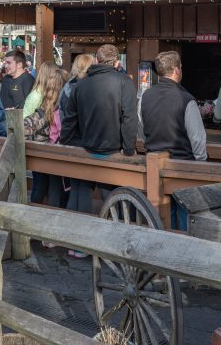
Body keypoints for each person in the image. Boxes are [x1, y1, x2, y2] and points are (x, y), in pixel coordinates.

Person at [60, 44, 138, 229]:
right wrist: (128, 148)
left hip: (86, 147)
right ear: (117, 62)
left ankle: (81, 241)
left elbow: (70, 119)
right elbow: (129, 117)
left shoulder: (81, 84)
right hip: (113, 150)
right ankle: (117, 237)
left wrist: (65, 142)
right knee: (115, 198)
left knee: (82, 193)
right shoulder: (124, 81)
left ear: (96, 60)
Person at [139, 51, 207, 161]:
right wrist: (201, 161)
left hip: (152, 162)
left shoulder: (144, 96)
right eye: (180, 67)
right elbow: (197, 138)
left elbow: (142, 131)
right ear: (176, 70)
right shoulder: (187, 99)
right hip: (182, 165)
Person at [23, 62, 68, 207]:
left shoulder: (45, 105)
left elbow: (25, 125)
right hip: (54, 151)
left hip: (45, 150)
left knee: (47, 187)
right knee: (51, 188)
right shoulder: (57, 107)